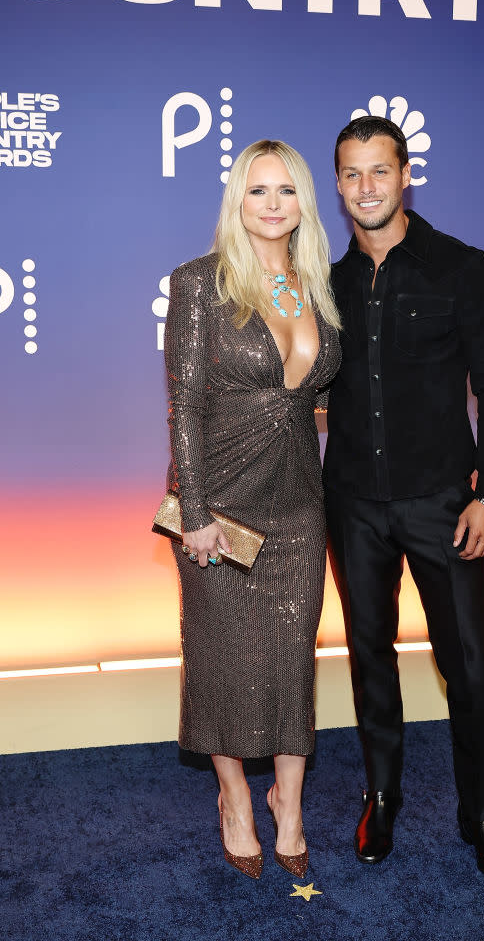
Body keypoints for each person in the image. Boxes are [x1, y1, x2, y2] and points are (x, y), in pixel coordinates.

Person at [323, 116, 484, 886]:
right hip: (355, 504)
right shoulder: (326, 284)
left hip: (446, 504)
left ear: (406, 176)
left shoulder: (461, 267)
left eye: (380, 171)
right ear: (337, 186)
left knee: (471, 668)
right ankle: (381, 795)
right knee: (371, 659)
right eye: (351, 173)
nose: (366, 186)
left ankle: (483, 819)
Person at [164, 140, 341, 880]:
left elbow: (321, 399)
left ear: (305, 203)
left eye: (288, 191)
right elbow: (185, 406)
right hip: (222, 508)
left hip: (301, 506)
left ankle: (288, 807)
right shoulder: (202, 283)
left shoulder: (319, 285)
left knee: (293, 660)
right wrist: (195, 510)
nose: (273, 204)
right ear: (236, 201)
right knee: (225, 663)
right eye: (257, 190)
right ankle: (235, 796)